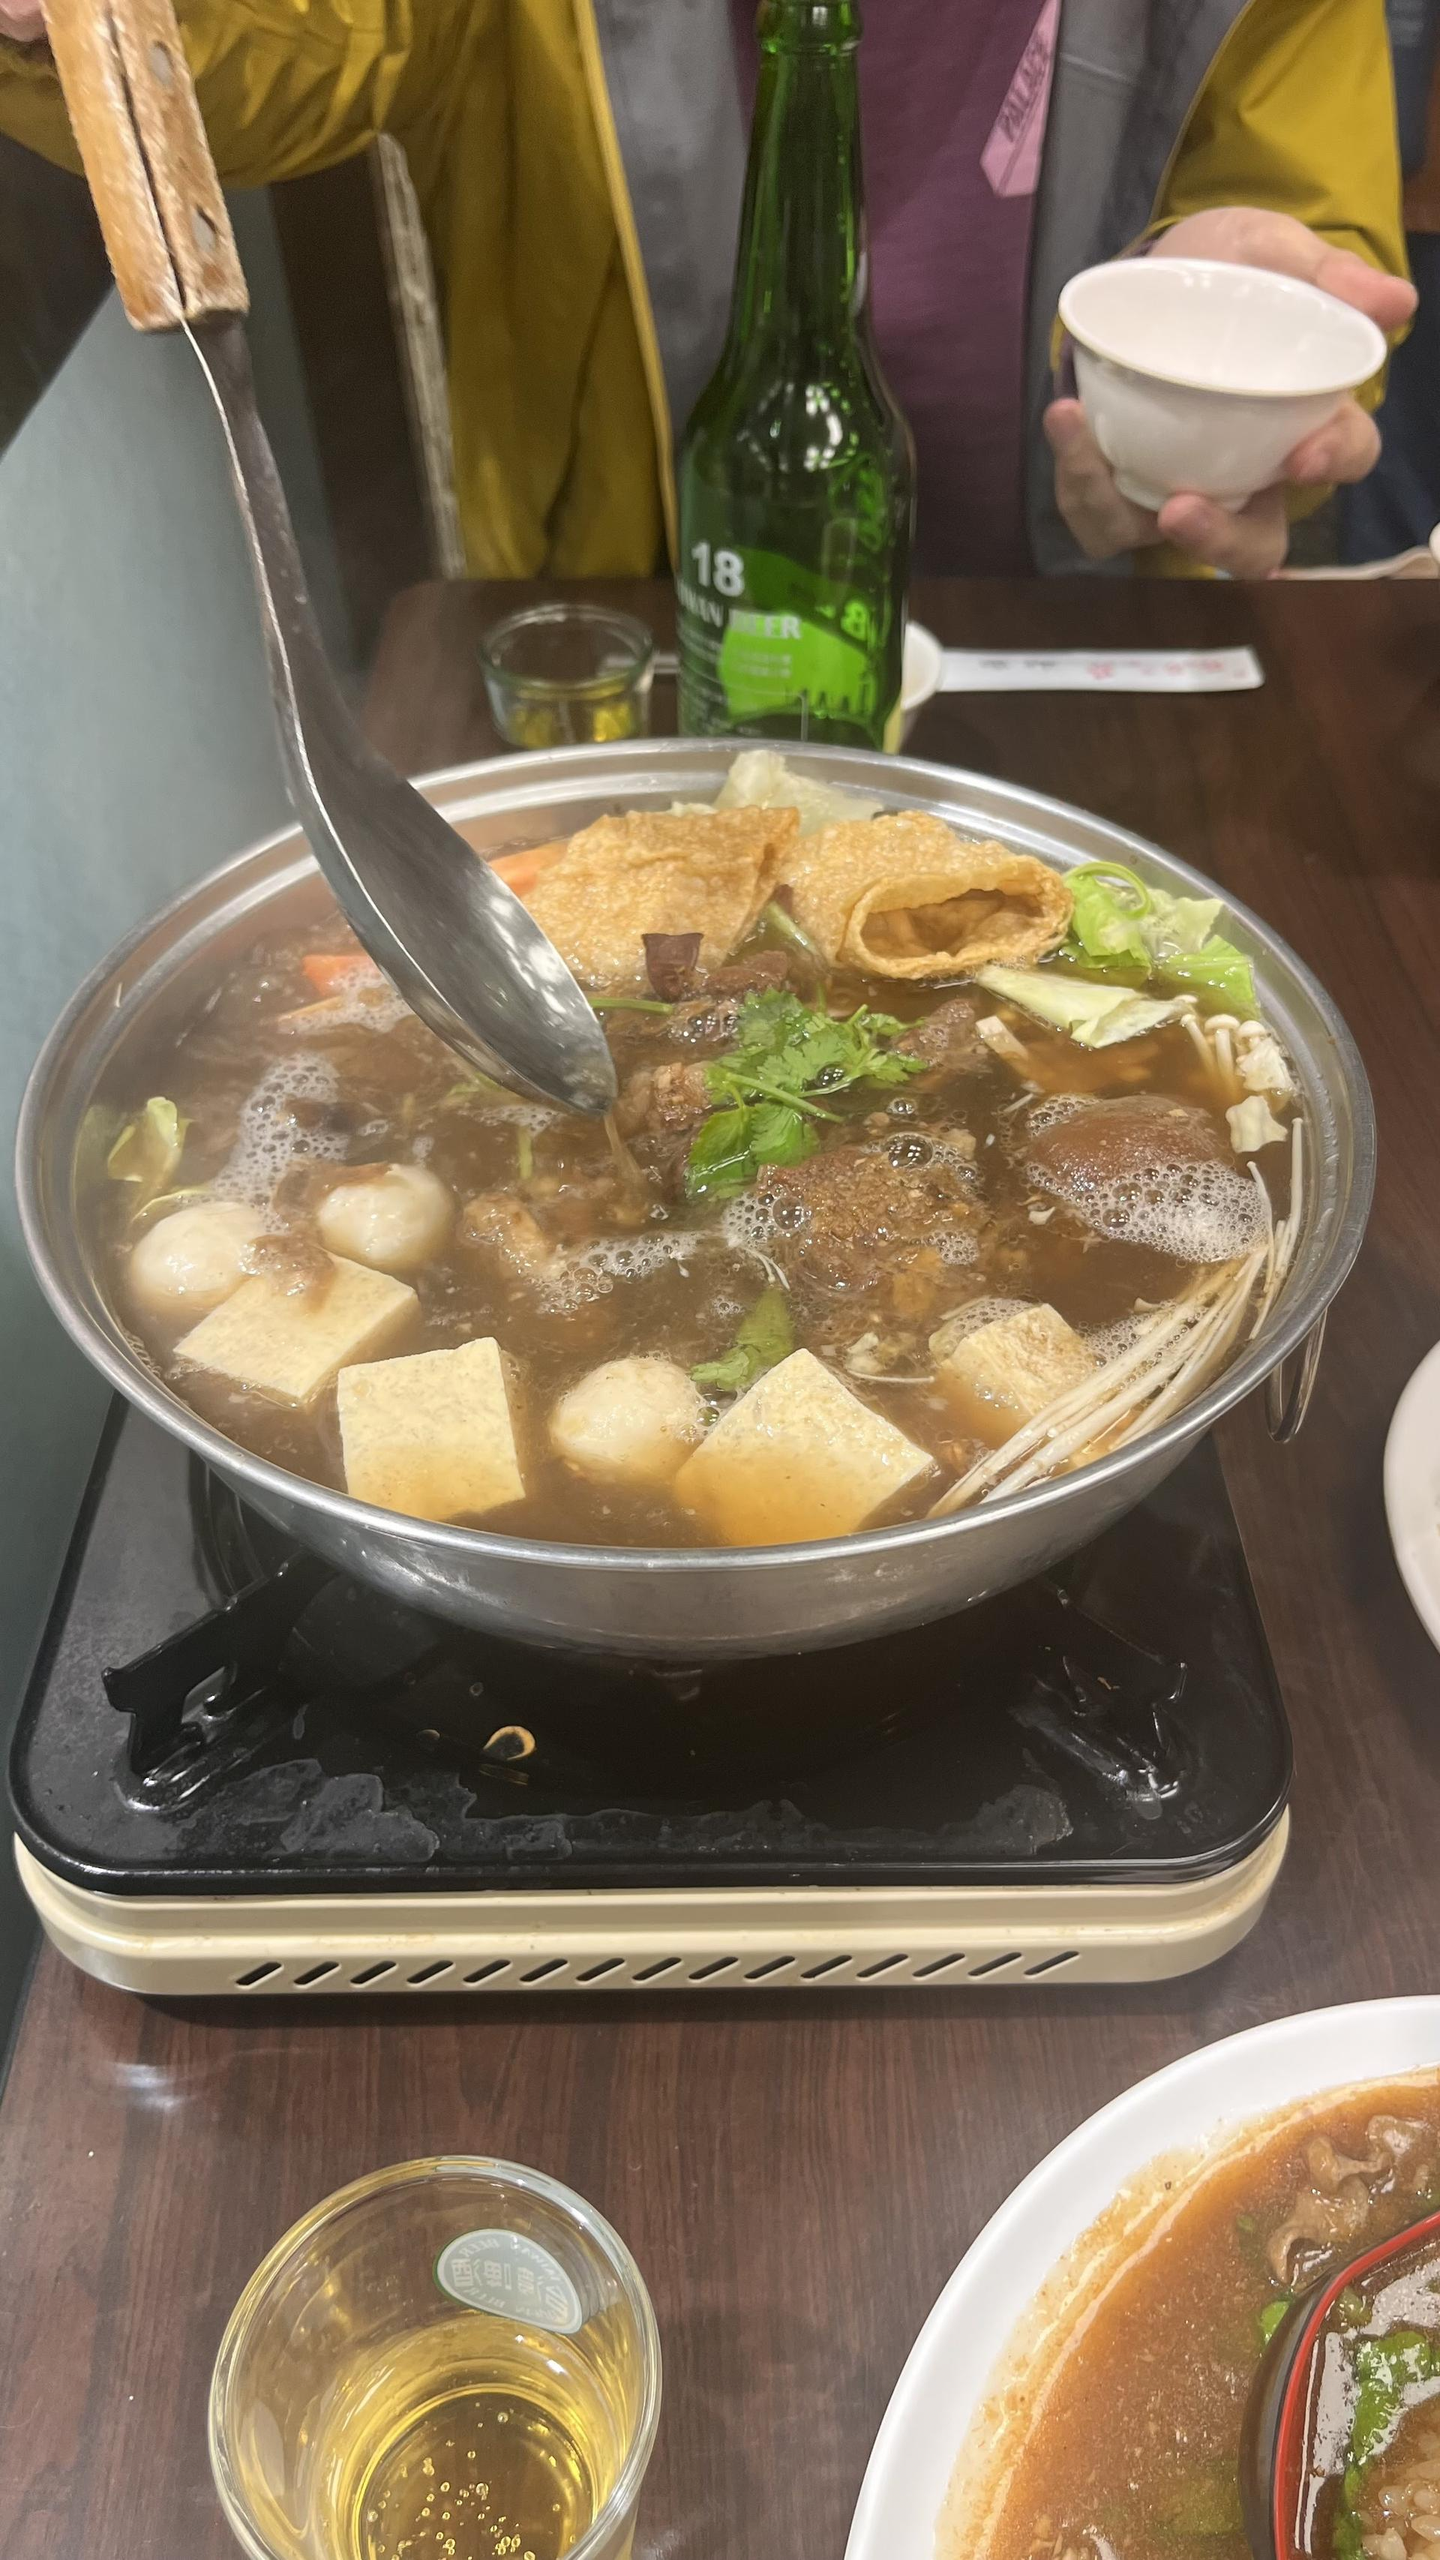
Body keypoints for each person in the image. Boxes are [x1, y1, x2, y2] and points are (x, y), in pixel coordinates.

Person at [0, 0, 1415, 582]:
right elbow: (275, 46)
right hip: (631, 641)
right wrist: (82, 26)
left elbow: (1306, 220)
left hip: (1095, 648)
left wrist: (1242, 350)